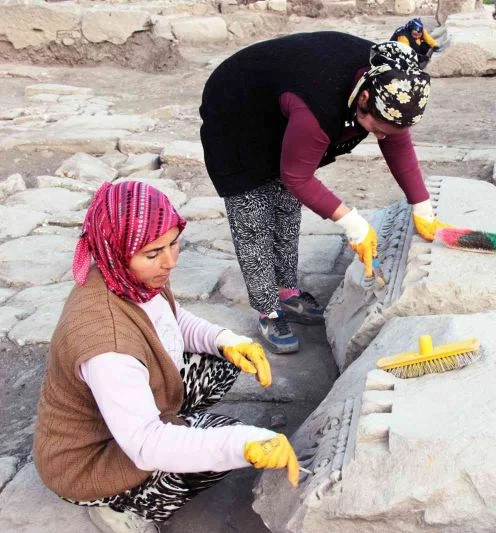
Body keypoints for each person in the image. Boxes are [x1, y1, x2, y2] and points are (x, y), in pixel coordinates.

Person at [33, 181, 299, 533]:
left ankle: (166, 419)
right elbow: (147, 445)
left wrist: (224, 340)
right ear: (118, 249)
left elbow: (168, 318)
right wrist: (242, 445)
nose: (170, 261)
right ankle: (119, 505)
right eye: (154, 252)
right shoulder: (107, 344)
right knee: (217, 453)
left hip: (119, 416)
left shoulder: (128, 274)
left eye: (174, 243)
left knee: (222, 363)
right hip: (88, 460)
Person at [199, 32, 449, 355]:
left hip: (281, 110)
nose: (379, 137)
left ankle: (287, 294)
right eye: (376, 129)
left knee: (287, 209)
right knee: (254, 217)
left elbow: (396, 143)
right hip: (236, 110)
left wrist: (422, 206)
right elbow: (297, 177)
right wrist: (353, 224)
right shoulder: (320, 104)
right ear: (363, 99)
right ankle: (268, 310)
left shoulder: (390, 83)